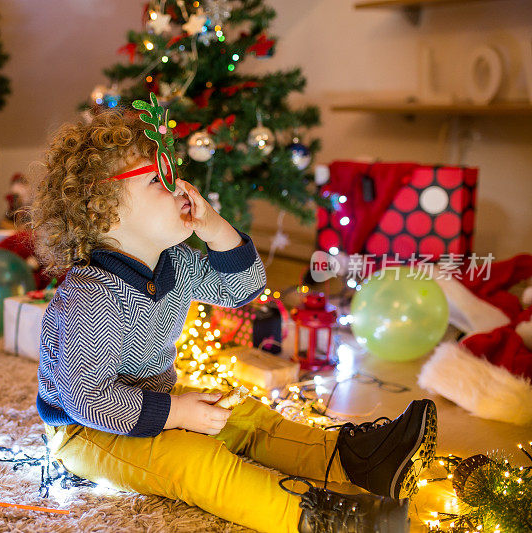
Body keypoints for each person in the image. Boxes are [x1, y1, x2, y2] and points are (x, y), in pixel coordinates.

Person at [26, 102, 437, 533]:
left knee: (244, 417)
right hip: (87, 432)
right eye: (158, 180)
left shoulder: (177, 263)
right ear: (102, 210)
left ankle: (362, 461)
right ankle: (318, 519)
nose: (180, 187)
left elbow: (241, 288)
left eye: (175, 174)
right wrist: (178, 415)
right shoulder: (89, 297)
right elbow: (89, 401)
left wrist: (217, 228)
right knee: (197, 460)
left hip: (154, 402)